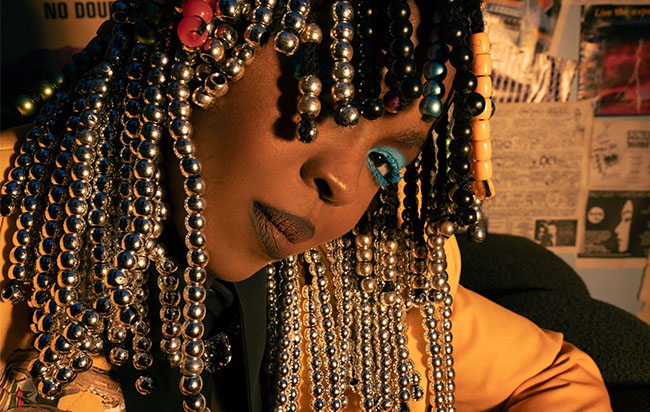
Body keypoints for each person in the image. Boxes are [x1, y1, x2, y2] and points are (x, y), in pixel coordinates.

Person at [0, 0, 611, 411]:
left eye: (385, 160)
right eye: (325, 101)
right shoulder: (16, 228)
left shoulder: (369, 284)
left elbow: (553, 375)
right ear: (201, 46)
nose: (343, 182)